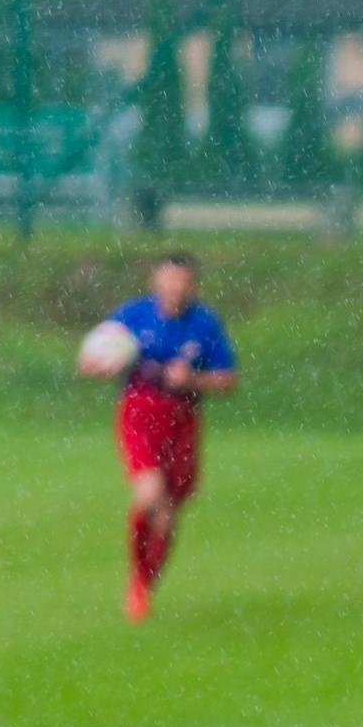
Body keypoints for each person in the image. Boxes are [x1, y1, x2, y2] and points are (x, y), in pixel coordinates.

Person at [79, 253, 238, 622]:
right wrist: (103, 365)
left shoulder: (205, 323)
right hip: (139, 411)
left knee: (167, 514)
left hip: (183, 418)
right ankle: (137, 581)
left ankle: (145, 582)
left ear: (193, 285)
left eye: (182, 282)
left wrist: (193, 380)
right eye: (168, 281)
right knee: (149, 495)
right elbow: (89, 362)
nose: (175, 288)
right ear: (156, 282)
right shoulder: (132, 316)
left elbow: (229, 380)